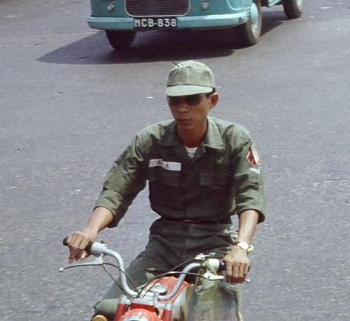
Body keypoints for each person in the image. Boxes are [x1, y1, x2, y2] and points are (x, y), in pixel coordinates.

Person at [64, 61, 264, 319]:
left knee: (213, 314)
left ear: (212, 100)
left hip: (215, 242)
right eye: (175, 100)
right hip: (164, 242)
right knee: (109, 310)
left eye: (192, 100)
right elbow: (116, 190)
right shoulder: (149, 140)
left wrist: (241, 247)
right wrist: (90, 230)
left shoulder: (235, 138)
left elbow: (250, 195)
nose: (182, 109)